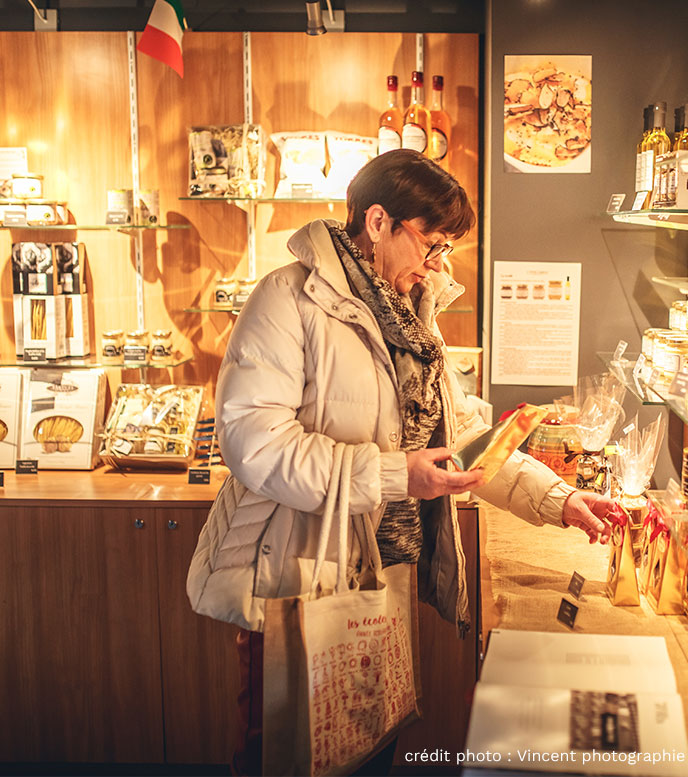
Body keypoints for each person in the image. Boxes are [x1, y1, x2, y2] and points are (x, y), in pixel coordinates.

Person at [187, 149, 612, 776]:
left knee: (364, 746)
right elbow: (254, 444)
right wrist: (394, 475)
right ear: (379, 221)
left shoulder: (412, 312)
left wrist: (558, 498)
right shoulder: (287, 298)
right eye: (431, 243)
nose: (436, 263)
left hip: (383, 568)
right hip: (296, 570)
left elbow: (462, 433)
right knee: (284, 750)